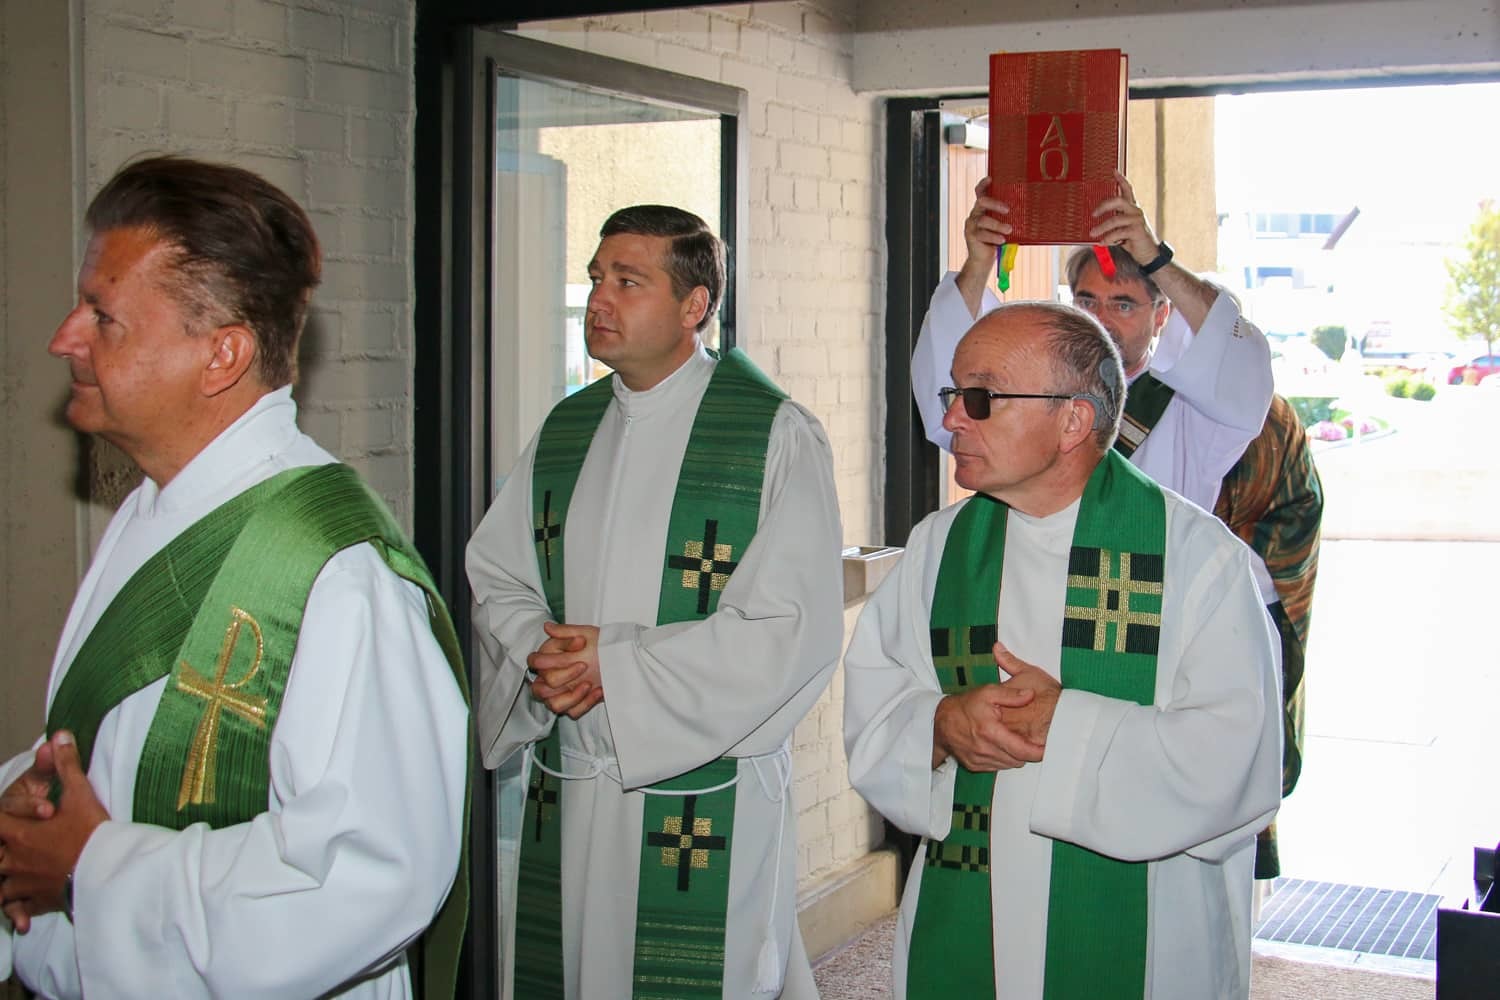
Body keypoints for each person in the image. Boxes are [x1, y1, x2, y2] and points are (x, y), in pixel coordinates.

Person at [0, 156, 470, 999]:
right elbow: (121, 752)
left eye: (103, 316)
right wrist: (22, 810)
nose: (64, 338)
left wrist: (91, 868)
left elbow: (367, 874)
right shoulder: (155, 509)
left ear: (222, 355)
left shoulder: (333, 572)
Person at [845, 301, 1282, 999]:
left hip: (1144, 929)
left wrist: (1066, 726)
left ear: (1074, 420)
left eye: (980, 397)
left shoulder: (1196, 559)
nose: (952, 417)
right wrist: (940, 726)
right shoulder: (939, 547)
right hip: (970, 910)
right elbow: (877, 702)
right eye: (953, 393)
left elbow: (1238, 762)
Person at [466, 205, 843, 999]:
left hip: (697, 797)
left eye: (628, 282)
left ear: (693, 306)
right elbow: (500, 574)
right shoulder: (566, 429)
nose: (598, 299)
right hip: (573, 779)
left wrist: (615, 667)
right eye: (597, 277)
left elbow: (789, 628)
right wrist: (543, 649)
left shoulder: (772, 434)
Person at [911, 172, 1274, 516]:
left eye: (1122, 305)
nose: (1100, 319)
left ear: (1161, 314)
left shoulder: (1190, 408)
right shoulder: (1029, 395)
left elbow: (1235, 356)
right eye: (1087, 301)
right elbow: (949, 394)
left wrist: (1155, 259)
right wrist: (979, 262)